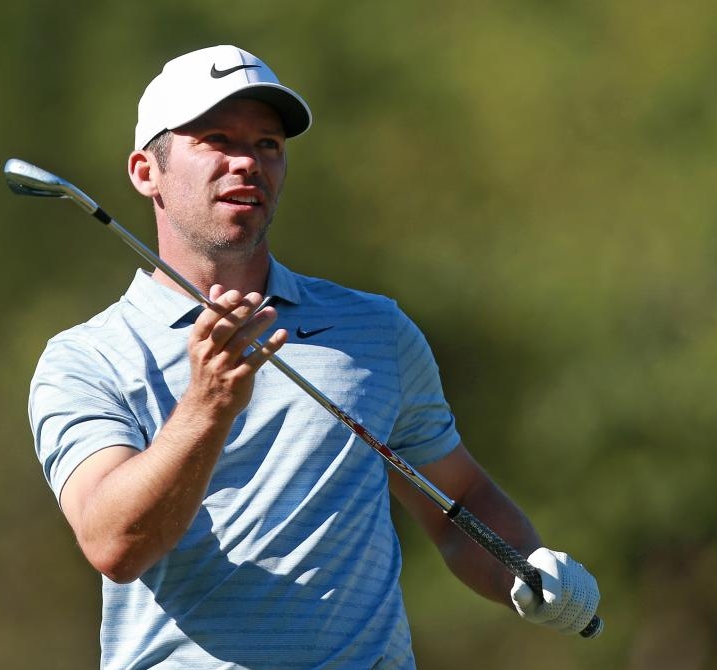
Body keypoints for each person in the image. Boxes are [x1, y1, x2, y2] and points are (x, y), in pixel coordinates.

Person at [29, 44, 601, 669]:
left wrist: (525, 569)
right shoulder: (86, 360)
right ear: (146, 171)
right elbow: (114, 542)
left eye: (268, 144)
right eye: (216, 138)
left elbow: (459, 502)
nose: (247, 161)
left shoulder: (375, 330)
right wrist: (207, 407)